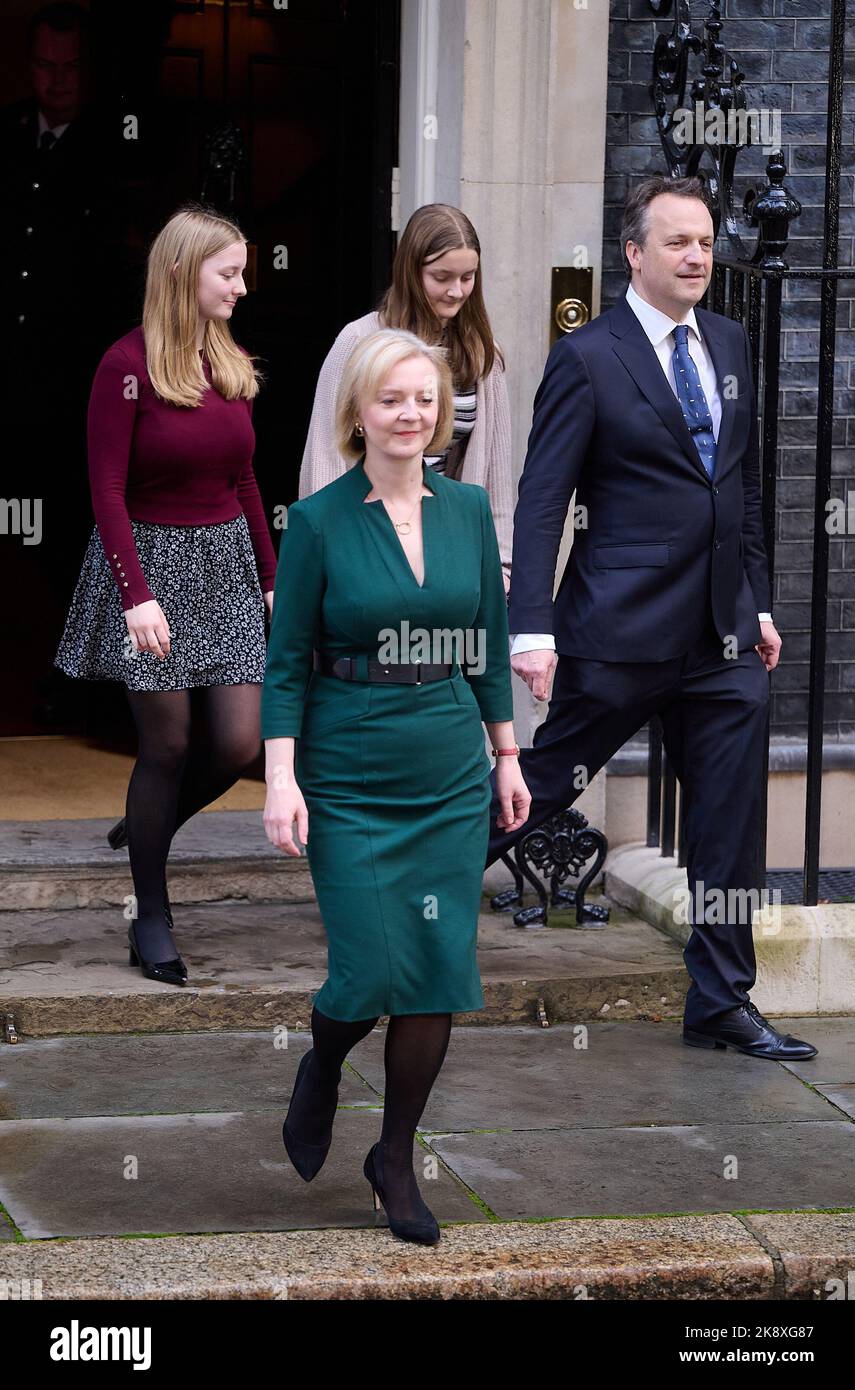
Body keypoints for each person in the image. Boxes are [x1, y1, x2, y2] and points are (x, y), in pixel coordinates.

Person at [486, 174, 817, 1062]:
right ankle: (405, 903)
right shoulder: (588, 356)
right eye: (676, 242)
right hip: (620, 630)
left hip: (722, 639)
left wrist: (757, 602)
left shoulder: (732, 342)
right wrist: (533, 625)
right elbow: (544, 499)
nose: (697, 257)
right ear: (633, 254)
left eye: (705, 241)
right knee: (540, 783)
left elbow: (738, 488)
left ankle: (721, 1000)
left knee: (728, 828)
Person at [261, 328, 530, 1244]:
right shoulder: (321, 521)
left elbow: (486, 649)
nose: (410, 415)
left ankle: (395, 1157)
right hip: (348, 769)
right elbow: (286, 661)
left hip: (449, 767)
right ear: (359, 414)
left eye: (424, 399)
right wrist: (280, 779)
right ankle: (325, 1060)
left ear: (442, 413)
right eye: (391, 400)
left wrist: (507, 757)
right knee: (368, 969)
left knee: (435, 973)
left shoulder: (467, 511)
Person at [54, 204, 277, 986]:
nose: (242, 287)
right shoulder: (124, 364)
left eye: (245, 272)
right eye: (229, 273)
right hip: (147, 563)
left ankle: (148, 828)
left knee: (240, 743)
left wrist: (274, 579)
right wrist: (135, 597)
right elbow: (105, 491)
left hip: (224, 567)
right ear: (184, 273)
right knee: (170, 744)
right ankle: (151, 913)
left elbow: (246, 479)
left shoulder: (232, 361)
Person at [298, 203, 514, 595]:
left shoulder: (483, 353)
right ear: (411, 273)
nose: (456, 290)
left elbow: (496, 477)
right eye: (441, 277)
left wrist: (499, 564)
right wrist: (325, 560)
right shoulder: (356, 342)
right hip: (365, 540)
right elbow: (325, 461)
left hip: (451, 545)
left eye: (468, 277)